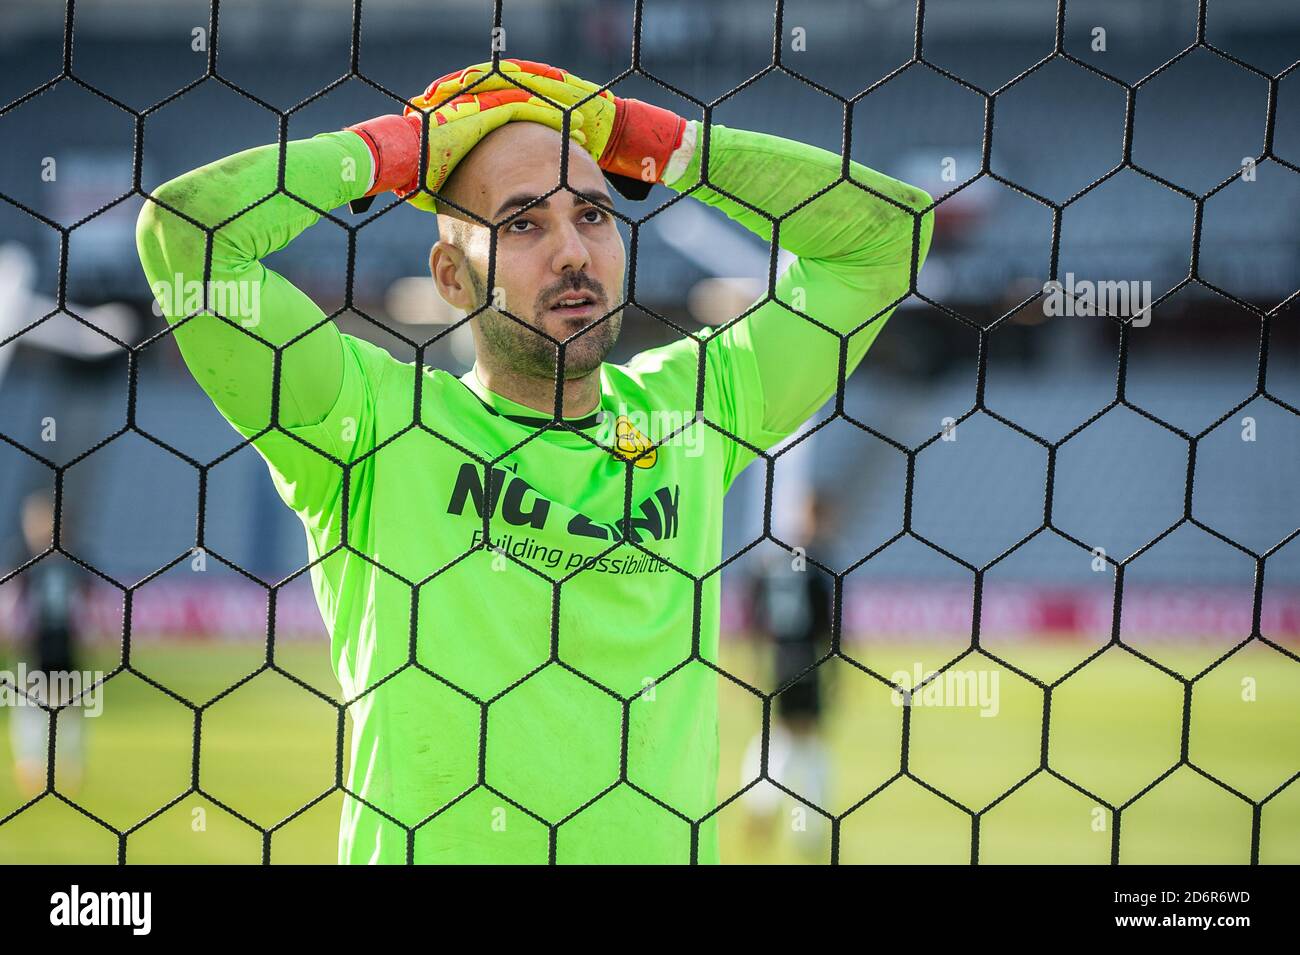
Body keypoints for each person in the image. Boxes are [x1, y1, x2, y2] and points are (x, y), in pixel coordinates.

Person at [134, 58, 934, 863]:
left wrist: (647, 140)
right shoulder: (367, 423)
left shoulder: (694, 411)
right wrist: (394, 152)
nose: (572, 252)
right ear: (451, 276)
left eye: (593, 215)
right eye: (522, 223)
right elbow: (186, 236)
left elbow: (887, 238)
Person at [739, 490, 836, 857]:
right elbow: (830, 627)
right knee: (806, 739)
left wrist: (753, 661)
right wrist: (838, 674)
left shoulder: (772, 561)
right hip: (807, 659)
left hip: (779, 660)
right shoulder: (818, 566)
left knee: (780, 734)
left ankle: (762, 804)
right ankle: (806, 827)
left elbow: (755, 615)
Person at [7, 489, 88, 797]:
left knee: (66, 707)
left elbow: (86, 604)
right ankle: (32, 765)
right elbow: (15, 602)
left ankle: (67, 765)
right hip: (36, 643)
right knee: (32, 707)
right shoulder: (28, 557)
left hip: (61, 642)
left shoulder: (70, 559)